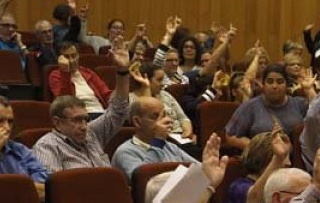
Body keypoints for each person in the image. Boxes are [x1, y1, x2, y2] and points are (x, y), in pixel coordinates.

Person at [33, 36, 132, 173]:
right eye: (77, 120)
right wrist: (65, 73)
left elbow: (118, 110)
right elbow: (53, 188)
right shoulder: (48, 146)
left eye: (85, 120)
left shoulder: (91, 133)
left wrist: (122, 71)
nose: (84, 127)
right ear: (57, 122)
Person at [111, 96, 198, 181]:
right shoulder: (125, 152)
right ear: (137, 121)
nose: (165, 121)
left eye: (164, 116)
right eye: (155, 117)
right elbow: (145, 182)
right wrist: (158, 141)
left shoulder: (170, 146)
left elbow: (198, 170)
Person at [226, 64, 310, 150]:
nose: (274, 86)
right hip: (263, 160)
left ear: (287, 85)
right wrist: (259, 148)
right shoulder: (250, 107)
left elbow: (318, 120)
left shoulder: (299, 104)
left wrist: (309, 90)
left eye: (280, 81)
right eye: (270, 82)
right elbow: (231, 136)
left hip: (295, 159)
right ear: (263, 84)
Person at [129, 61, 196, 142]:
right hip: (161, 140)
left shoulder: (165, 94)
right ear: (146, 79)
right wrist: (146, 88)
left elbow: (182, 118)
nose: (163, 83)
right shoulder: (133, 100)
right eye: (159, 80)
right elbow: (151, 126)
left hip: (181, 138)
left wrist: (188, 132)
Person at [227, 129, 291, 203]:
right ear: (261, 158)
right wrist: (278, 158)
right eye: (284, 157)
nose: (288, 163)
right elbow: (255, 198)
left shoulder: (283, 187)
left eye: (287, 156)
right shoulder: (239, 187)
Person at [48, 41, 113, 117]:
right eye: (67, 57)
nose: (72, 60)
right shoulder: (55, 75)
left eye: (74, 56)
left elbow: (106, 93)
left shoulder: (88, 72)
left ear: (78, 56)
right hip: (79, 116)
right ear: (59, 59)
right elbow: (65, 103)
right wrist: (65, 72)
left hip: (101, 112)